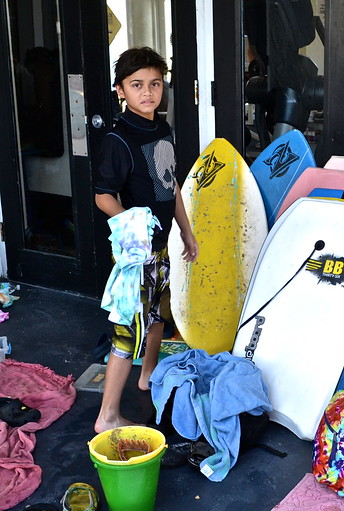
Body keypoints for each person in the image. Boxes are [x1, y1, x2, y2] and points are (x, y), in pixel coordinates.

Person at [93, 47, 198, 433]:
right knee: (127, 329)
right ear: (121, 90)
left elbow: (172, 186)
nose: (148, 93)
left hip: (162, 246)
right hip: (137, 251)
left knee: (159, 313)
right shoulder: (117, 140)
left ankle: (147, 374)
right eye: (137, 85)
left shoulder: (162, 129)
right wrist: (131, 220)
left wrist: (185, 230)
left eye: (155, 84)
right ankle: (106, 417)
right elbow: (102, 194)